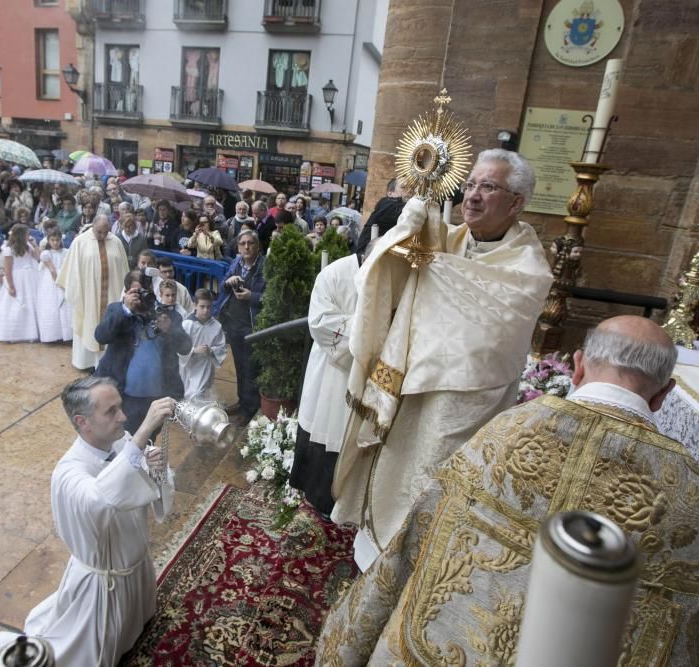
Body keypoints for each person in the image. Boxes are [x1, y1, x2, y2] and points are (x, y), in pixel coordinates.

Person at [317, 316, 698, 666]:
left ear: (578, 366)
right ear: (663, 394)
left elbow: (416, 538)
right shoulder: (685, 489)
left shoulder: (509, 431)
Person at [332, 149, 555, 571]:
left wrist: (433, 271)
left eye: (488, 187)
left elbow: (487, 337)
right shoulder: (449, 239)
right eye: (470, 184)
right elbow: (386, 281)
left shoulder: (529, 268)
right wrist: (407, 229)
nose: (472, 196)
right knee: (393, 469)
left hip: (464, 398)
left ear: (517, 202)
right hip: (410, 381)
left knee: (435, 480)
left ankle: (419, 568)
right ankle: (375, 558)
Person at [0, 377, 175, 667]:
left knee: (133, 628)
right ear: (83, 422)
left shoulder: (122, 442)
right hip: (104, 583)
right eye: (111, 411)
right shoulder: (68, 472)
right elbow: (99, 501)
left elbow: (134, 483)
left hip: (134, 565)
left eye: (120, 407)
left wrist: (152, 467)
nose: (123, 417)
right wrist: (143, 435)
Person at [287, 250, 361, 518]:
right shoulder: (334, 274)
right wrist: (370, 329)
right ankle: (320, 499)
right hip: (332, 370)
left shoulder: (394, 273)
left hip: (370, 373)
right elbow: (319, 322)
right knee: (326, 432)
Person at [94, 270, 191, 434]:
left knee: (149, 441)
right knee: (122, 440)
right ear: (126, 292)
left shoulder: (167, 315)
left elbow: (185, 347)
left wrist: (169, 330)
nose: (143, 296)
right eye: (137, 292)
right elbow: (101, 336)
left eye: (147, 291)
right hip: (123, 397)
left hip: (156, 399)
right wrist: (126, 310)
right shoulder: (117, 310)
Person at [56, 215, 128, 370]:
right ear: (92, 226)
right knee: (89, 324)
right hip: (88, 296)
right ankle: (87, 363)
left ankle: (109, 363)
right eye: (99, 232)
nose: (102, 236)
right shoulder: (80, 242)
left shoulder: (116, 242)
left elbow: (124, 270)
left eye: (106, 232)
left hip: (112, 294)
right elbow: (72, 273)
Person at [212, 229, 266, 425]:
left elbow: (271, 298)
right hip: (233, 323)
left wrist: (252, 296)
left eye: (250, 243)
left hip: (252, 326)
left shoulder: (265, 266)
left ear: (257, 246)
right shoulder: (236, 263)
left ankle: (249, 408)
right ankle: (242, 401)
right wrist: (228, 282)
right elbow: (223, 283)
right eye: (242, 243)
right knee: (239, 366)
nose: (246, 247)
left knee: (250, 368)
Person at [0, 224, 41, 343]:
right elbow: (7, 270)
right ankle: (14, 333)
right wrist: (11, 286)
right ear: (21, 235)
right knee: (15, 304)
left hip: (30, 277)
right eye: (27, 234)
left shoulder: (28, 246)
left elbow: (38, 257)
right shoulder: (9, 249)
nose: (29, 236)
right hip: (17, 278)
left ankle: (32, 331)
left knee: (31, 303)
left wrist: (34, 245)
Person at [178, 288, 227, 402]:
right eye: (202, 306)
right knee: (187, 395)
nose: (205, 310)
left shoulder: (216, 326)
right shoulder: (187, 325)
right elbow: (179, 347)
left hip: (205, 366)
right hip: (188, 366)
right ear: (195, 305)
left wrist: (211, 350)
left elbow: (222, 347)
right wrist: (194, 351)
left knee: (198, 394)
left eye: (208, 307)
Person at [35, 229, 73, 343]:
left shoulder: (66, 252)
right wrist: (60, 284)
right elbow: (52, 270)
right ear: (48, 241)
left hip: (64, 277)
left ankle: (67, 335)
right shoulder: (46, 254)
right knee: (52, 306)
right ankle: (53, 335)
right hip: (53, 281)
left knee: (66, 307)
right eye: (52, 240)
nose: (55, 242)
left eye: (57, 240)